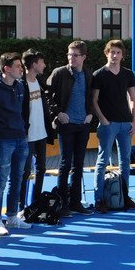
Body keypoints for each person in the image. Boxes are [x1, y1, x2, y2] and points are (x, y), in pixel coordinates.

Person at [0, 52, 30, 235]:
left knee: (17, 179)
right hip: (3, 140)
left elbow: (22, 111)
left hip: (20, 138)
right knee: (1, 180)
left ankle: (11, 216)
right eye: (18, 66)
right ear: (6, 69)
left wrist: (23, 130)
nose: (21, 69)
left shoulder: (20, 86)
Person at [46, 41, 95, 215]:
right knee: (65, 163)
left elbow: (92, 97)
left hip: (83, 125)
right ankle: (63, 204)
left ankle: (75, 203)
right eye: (69, 54)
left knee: (79, 164)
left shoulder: (89, 74)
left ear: (83, 57)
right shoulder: (59, 73)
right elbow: (47, 96)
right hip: (66, 125)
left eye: (75, 55)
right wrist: (58, 113)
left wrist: (90, 114)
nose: (71, 58)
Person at [92, 40, 135, 212]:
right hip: (108, 125)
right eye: (112, 52)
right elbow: (94, 100)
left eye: (118, 52)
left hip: (125, 123)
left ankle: (124, 197)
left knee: (125, 161)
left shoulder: (128, 74)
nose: (115, 55)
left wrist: (134, 121)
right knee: (102, 161)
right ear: (107, 53)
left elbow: (133, 99)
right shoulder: (98, 74)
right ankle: (99, 199)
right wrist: (103, 120)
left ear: (122, 55)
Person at [21, 50, 50, 208]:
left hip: (41, 133)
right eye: (41, 62)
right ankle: (21, 206)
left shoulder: (40, 82)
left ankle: (36, 202)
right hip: (27, 136)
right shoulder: (21, 84)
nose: (44, 65)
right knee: (25, 172)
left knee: (41, 168)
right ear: (34, 64)